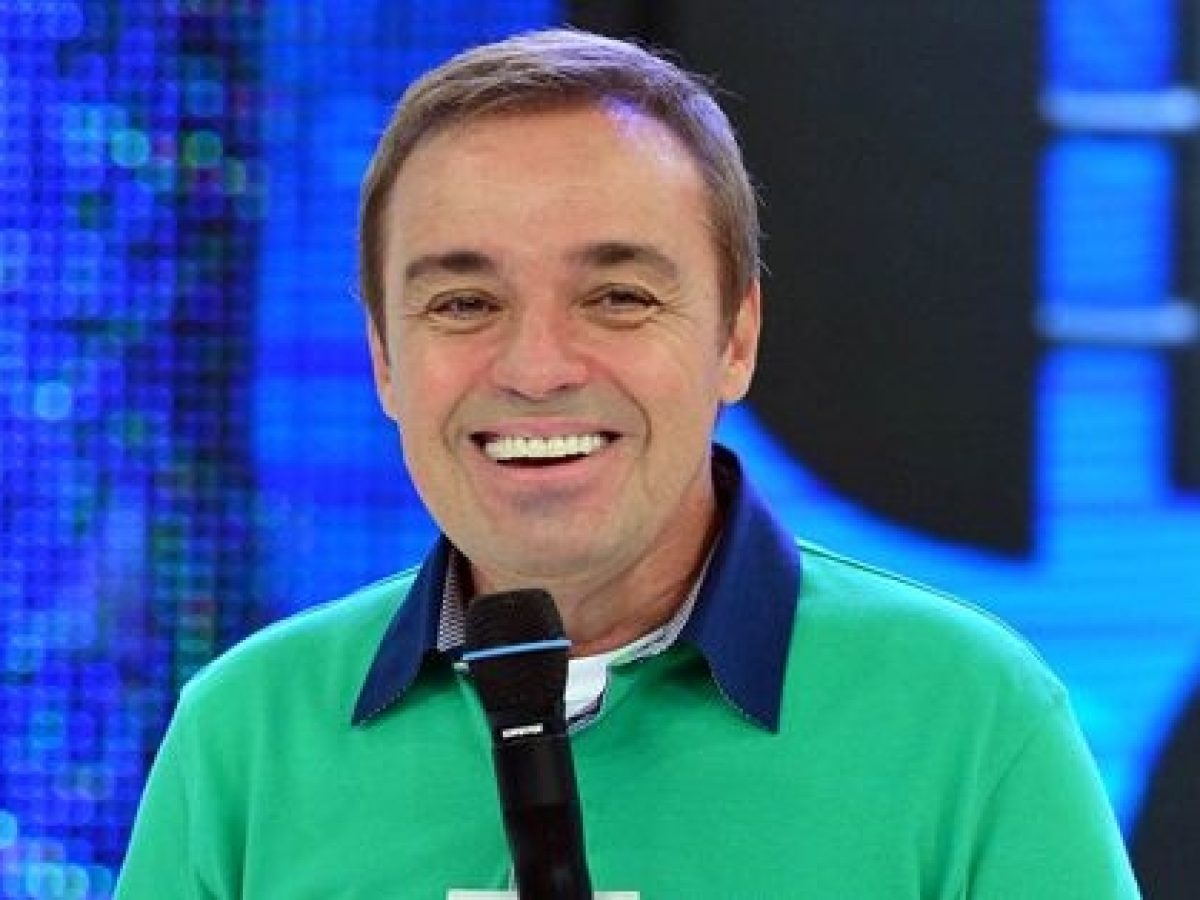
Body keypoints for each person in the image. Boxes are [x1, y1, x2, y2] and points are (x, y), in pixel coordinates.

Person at [115, 28, 1141, 898]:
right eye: (464, 304)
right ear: (385, 358)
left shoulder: (969, 718)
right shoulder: (243, 735)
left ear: (737, 337)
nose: (536, 369)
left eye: (618, 298)